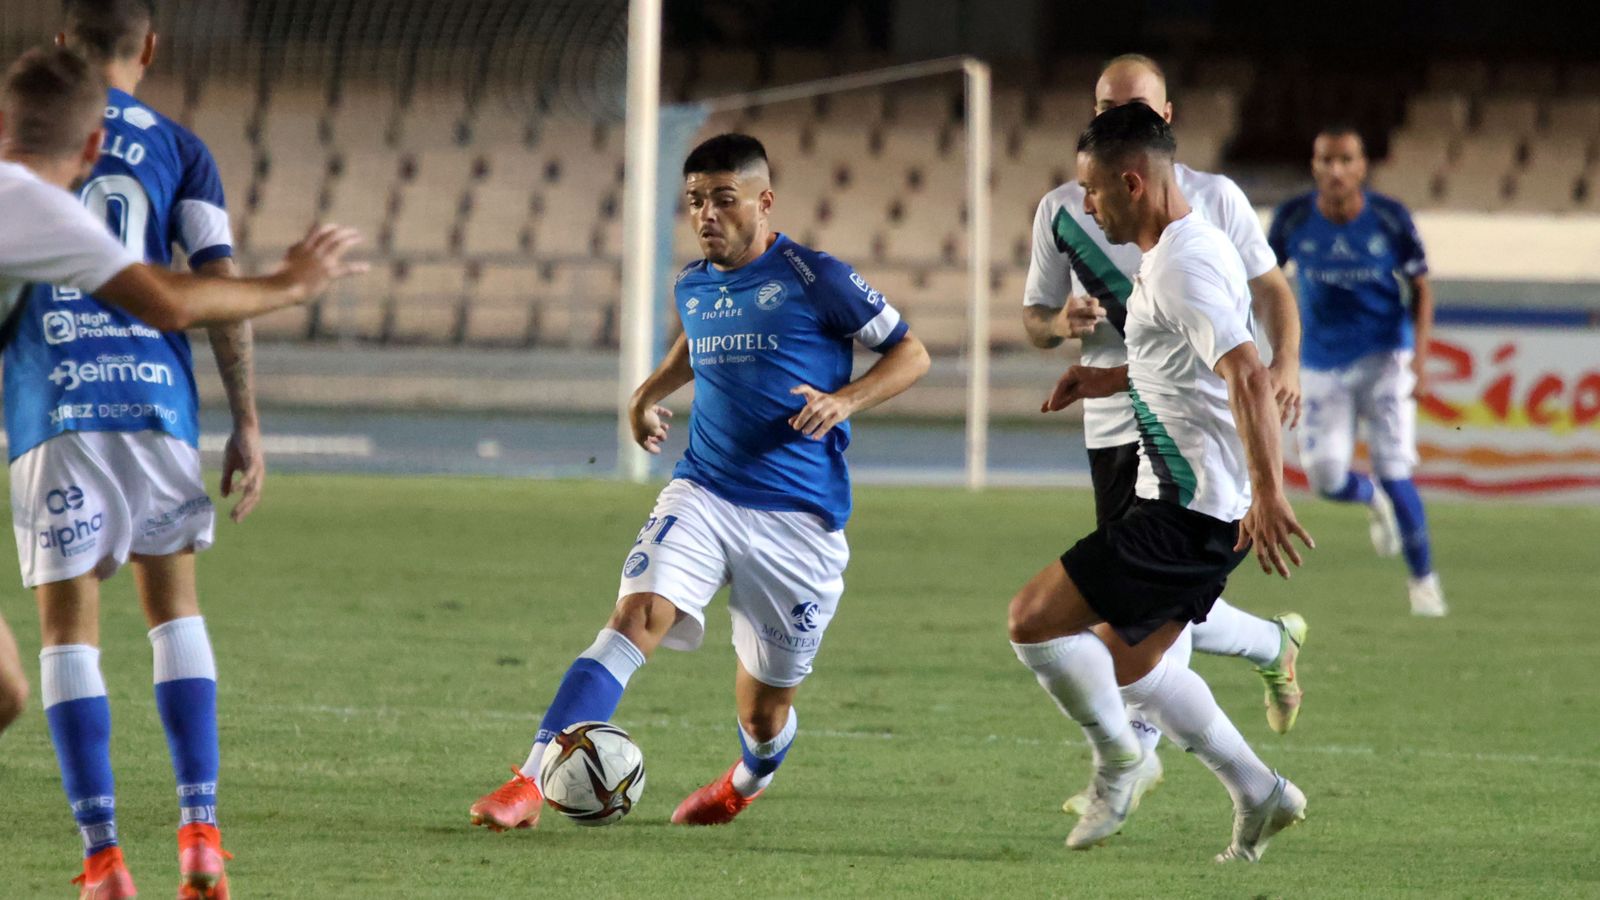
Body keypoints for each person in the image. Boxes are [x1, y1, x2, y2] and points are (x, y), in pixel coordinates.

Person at [469, 133, 929, 831]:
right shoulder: (694, 282)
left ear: (764, 201)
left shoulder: (817, 276)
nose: (707, 214)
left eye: (723, 199)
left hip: (799, 523)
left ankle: (749, 777)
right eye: (694, 201)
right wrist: (645, 393)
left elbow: (912, 353)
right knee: (634, 616)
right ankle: (528, 782)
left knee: (764, 711)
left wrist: (845, 401)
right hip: (705, 491)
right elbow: (695, 340)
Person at [1, 38, 363, 900]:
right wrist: (291, 284)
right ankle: (198, 832)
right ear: (91, 149)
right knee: (169, 613)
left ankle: (103, 860)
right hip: (153, 401)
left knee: (39, 661)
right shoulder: (123, 165)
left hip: (53, 408)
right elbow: (175, 295)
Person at [1010, 102, 1311, 861]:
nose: (1086, 206)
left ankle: (1120, 762)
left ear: (1134, 183)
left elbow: (1245, 373)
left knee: (1033, 622)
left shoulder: (1181, 265)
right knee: (1134, 668)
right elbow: (1181, 370)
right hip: (1190, 502)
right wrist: (1103, 378)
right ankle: (1259, 791)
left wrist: (1271, 493)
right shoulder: (1173, 252)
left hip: (1189, 511)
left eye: (1094, 191)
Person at [1268, 125, 1445, 617]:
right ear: (1314, 166)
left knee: (1395, 467)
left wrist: (1421, 361)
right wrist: (1280, 354)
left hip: (1386, 358)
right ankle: (1371, 500)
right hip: (1320, 363)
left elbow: (1422, 289)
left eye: (1346, 160)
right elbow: (1266, 284)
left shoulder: (1389, 218)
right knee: (1324, 477)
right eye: (1326, 160)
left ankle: (1423, 583)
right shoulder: (1293, 218)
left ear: (1362, 167)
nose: (1336, 170)